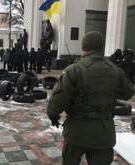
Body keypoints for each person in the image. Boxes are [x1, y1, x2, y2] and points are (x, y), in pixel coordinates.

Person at [46, 31, 134, 165]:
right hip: (104, 133)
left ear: (83, 47)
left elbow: (57, 102)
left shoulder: (73, 70)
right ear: (101, 48)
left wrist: (52, 114)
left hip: (77, 133)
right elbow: (128, 93)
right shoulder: (116, 70)